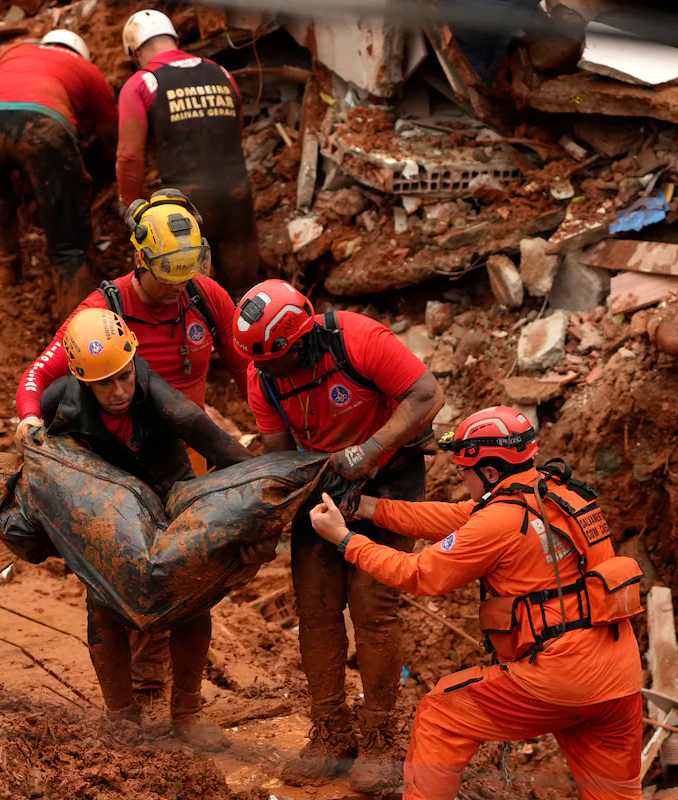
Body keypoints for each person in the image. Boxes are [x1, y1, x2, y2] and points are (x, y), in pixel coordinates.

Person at [305, 407, 644, 800]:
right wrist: (367, 508)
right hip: (620, 679)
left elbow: (420, 574)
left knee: (441, 714)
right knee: (614, 794)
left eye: (463, 470)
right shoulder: (564, 495)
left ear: (491, 472)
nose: (459, 478)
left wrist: (346, 540)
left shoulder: (499, 520)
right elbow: (454, 518)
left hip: (559, 677)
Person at [14, 191, 252, 709]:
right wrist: (29, 419)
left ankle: (163, 693)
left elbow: (236, 373)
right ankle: (129, 705)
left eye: (186, 276)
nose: (177, 288)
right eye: (168, 279)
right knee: (110, 588)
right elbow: (38, 376)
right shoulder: (100, 318)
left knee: (183, 578)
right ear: (141, 260)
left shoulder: (203, 296)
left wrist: (262, 455)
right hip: (111, 465)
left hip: (177, 451)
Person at [231, 279, 443, 792]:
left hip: (389, 474)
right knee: (316, 606)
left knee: (373, 605)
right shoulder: (263, 378)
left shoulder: (359, 340)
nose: (261, 370)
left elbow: (427, 394)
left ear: (298, 339)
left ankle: (379, 738)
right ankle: (331, 732)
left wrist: (370, 451)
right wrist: (269, 517)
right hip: (323, 482)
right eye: (256, 361)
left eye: (271, 360)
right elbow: (281, 453)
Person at [38, 306, 266, 749]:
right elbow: (47, 465)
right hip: (108, 509)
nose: (120, 391)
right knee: (103, 603)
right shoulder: (59, 405)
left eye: (125, 376)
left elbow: (229, 454)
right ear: (82, 380)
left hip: (168, 496)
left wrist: (258, 513)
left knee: (191, 600)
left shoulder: (164, 401)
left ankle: (187, 712)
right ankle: (121, 717)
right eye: (105, 383)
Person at [0, 30, 118, 313]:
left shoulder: (10, 52)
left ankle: (4, 269)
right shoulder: (86, 69)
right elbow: (111, 131)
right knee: (67, 223)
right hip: (43, 124)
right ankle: (75, 311)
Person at [117, 10, 258, 296]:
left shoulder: (143, 82)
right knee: (244, 294)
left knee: (192, 297)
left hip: (185, 209)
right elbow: (236, 131)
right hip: (237, 196)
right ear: (175, 39)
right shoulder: (221, 73)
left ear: (136, 51)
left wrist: (129, 204)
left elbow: (129, 155)